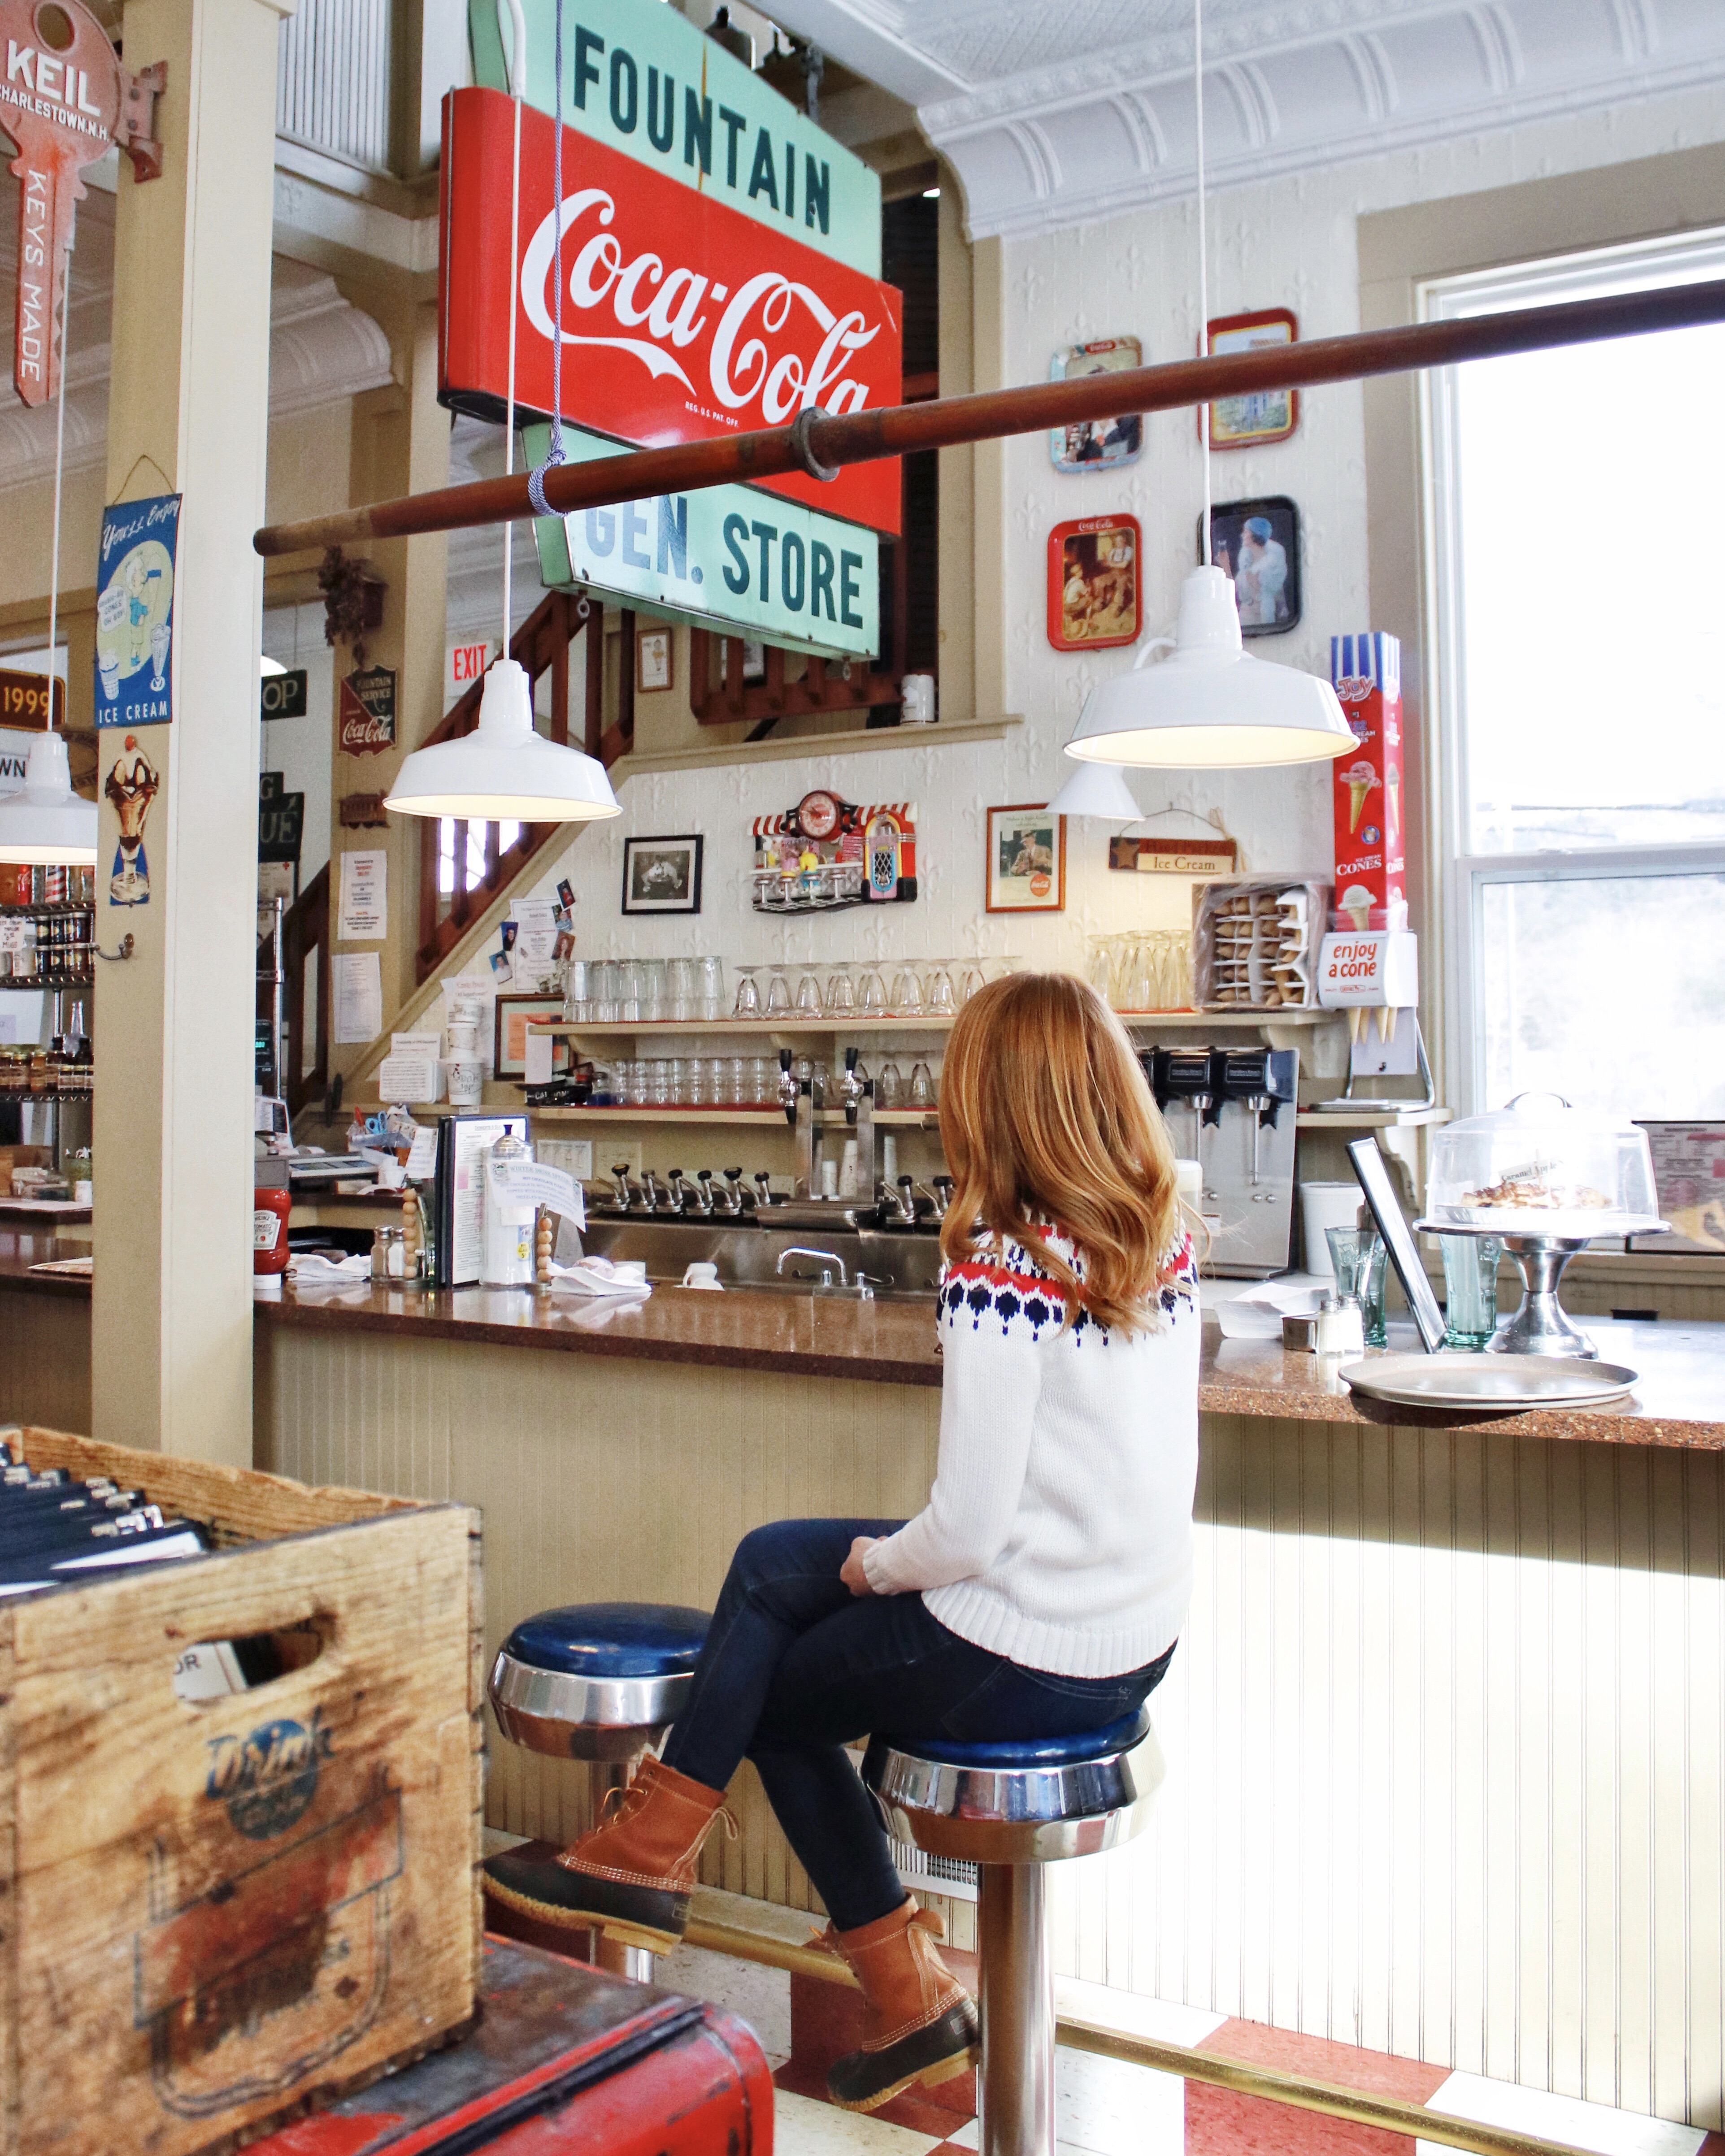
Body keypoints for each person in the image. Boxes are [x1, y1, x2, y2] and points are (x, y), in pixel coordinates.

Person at [483, 973, 1201, 2114]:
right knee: (772, 1561)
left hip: (1019, 1643)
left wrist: (875, 1567)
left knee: (759, 1688)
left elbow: (965, 1531)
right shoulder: (1156, 1239)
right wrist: (873, 1560)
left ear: (989, 1101)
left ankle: (871, 1975)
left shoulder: (1003, 1265)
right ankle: (656, 1864)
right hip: (1133, 1631)